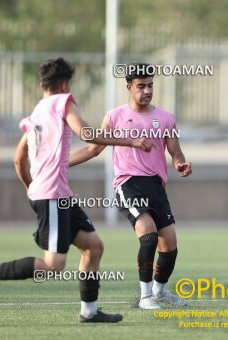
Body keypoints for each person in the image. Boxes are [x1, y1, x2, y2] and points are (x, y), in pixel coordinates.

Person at [0, 57, 153, 322]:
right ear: (66, 84)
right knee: (53, 266)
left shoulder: (36, 112)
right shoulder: (63, 101)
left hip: (57, 196)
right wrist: (131, 141)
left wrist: (30, 188)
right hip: (52, 196)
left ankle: (89, 312)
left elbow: (18, 158)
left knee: (93, 247)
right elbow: (87, 133)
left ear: (41, 83)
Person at [69, 63, 192, 310]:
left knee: (169, 246)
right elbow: (93, 149)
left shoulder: (166, 118)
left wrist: (180, 164)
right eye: (141, 86)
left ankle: (160, 291)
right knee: (148, 236)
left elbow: (175, 151)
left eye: (150, 85)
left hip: (156, 187)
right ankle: (145, 297)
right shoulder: (114, 116)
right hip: (129, 184)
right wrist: (61, 163)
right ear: (129, 87)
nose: (147, 91)